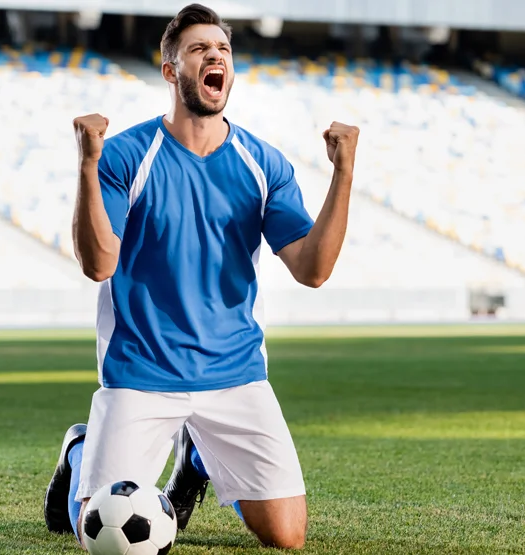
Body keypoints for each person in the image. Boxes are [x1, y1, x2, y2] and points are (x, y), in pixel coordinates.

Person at [42, 3, 359, 550]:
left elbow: (312, 270)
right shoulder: (126, 156)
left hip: (235, 374)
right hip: (141, 374)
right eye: (199, 49)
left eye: (223, 50)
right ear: (171, 71)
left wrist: (344, 174)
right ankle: (80, 449)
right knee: (99, 534)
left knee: (287, 537)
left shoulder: (264, 163)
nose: (215, 56)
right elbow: (98, 265)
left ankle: (196, 455)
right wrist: (88, 166)